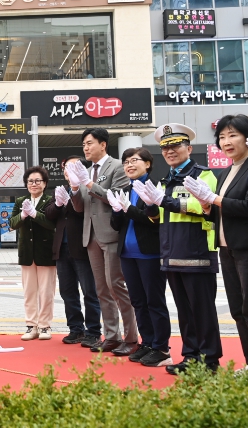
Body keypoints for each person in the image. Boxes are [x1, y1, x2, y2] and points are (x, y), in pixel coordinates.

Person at [134, 123, 221, 374]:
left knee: (202, 310)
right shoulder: (166, 179)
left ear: (189, 148)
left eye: (175, 146)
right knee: (184, 311)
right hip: (171, 254)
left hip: (196, 252)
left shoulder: (203, 174)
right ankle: (191, 357)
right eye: (165, 147)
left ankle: (209, 360)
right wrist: (151, 206)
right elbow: (159, 216)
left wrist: (164, 200)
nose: (170, 151)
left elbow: (201, 204)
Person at [188, 115, 248, 370]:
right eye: (222, 137)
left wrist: (213, 199)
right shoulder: (225, 172)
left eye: (233, 135)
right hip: (226, 247)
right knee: (237, 308)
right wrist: (206, 205)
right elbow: (220, 210)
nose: (227, 141)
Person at [67, 128, 138, 354]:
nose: (86, 148)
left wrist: (88, 184)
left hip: (111, 234)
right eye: (84, 145)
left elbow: (115, 197)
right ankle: (112, 335)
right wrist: (75, 189)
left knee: (116, 285)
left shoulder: (117, 166)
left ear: (103, 144)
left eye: (89, 143)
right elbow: (80, 208)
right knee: (101, 289)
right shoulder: (87, 171)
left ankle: (132, 337)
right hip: (91, 235)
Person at [106, 148, 171, 366]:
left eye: (134, 161)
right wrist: (117, 211)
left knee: (154, 301)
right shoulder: (125, 189)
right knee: (138, 301)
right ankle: (147, 342)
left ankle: (161, 347)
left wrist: (129, 209)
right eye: (125, 162)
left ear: (148, 164)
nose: (129, 165)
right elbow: (116, 226)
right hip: (127, 253)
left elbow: (153, 220)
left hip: (149, 253)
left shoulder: (155, 188)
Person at [45, 156, 101, 347]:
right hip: (61, 248)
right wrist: (59, 203)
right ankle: (75, 329)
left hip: (82, 248)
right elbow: (50, 214)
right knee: (68, 292)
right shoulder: (60, 190)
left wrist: (71, 197)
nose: (68, 172)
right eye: (66, 168)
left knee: (89, 292)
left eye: (72, 168)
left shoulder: (88, 190)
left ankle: (93, 331)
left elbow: (79, 211)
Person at [10, 166, 56, 340]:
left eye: (37, 181)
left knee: (46, 291)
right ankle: (31, 325)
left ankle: (44, 326)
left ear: (44, 184)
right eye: (30, 181)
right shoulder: (20, 200)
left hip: (46, 252)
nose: (33, 184)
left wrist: (35, 214)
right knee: (29, 291)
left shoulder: (50, 200)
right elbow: (12, 223)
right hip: (27, 253)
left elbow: (52, 224)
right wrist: (23, 215)